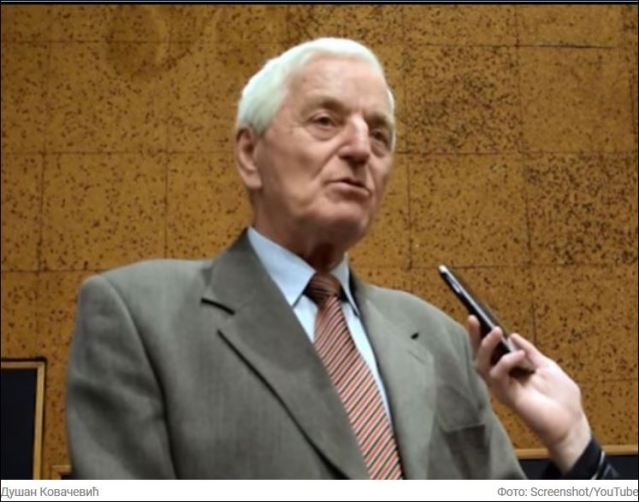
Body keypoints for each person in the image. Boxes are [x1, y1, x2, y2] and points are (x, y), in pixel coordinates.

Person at [66, 37, 616, 479]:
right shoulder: (140, 316)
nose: (359, 149)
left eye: (379, 135)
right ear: (250, 154)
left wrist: (574, 442)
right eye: (325, 121)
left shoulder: (443, 341)